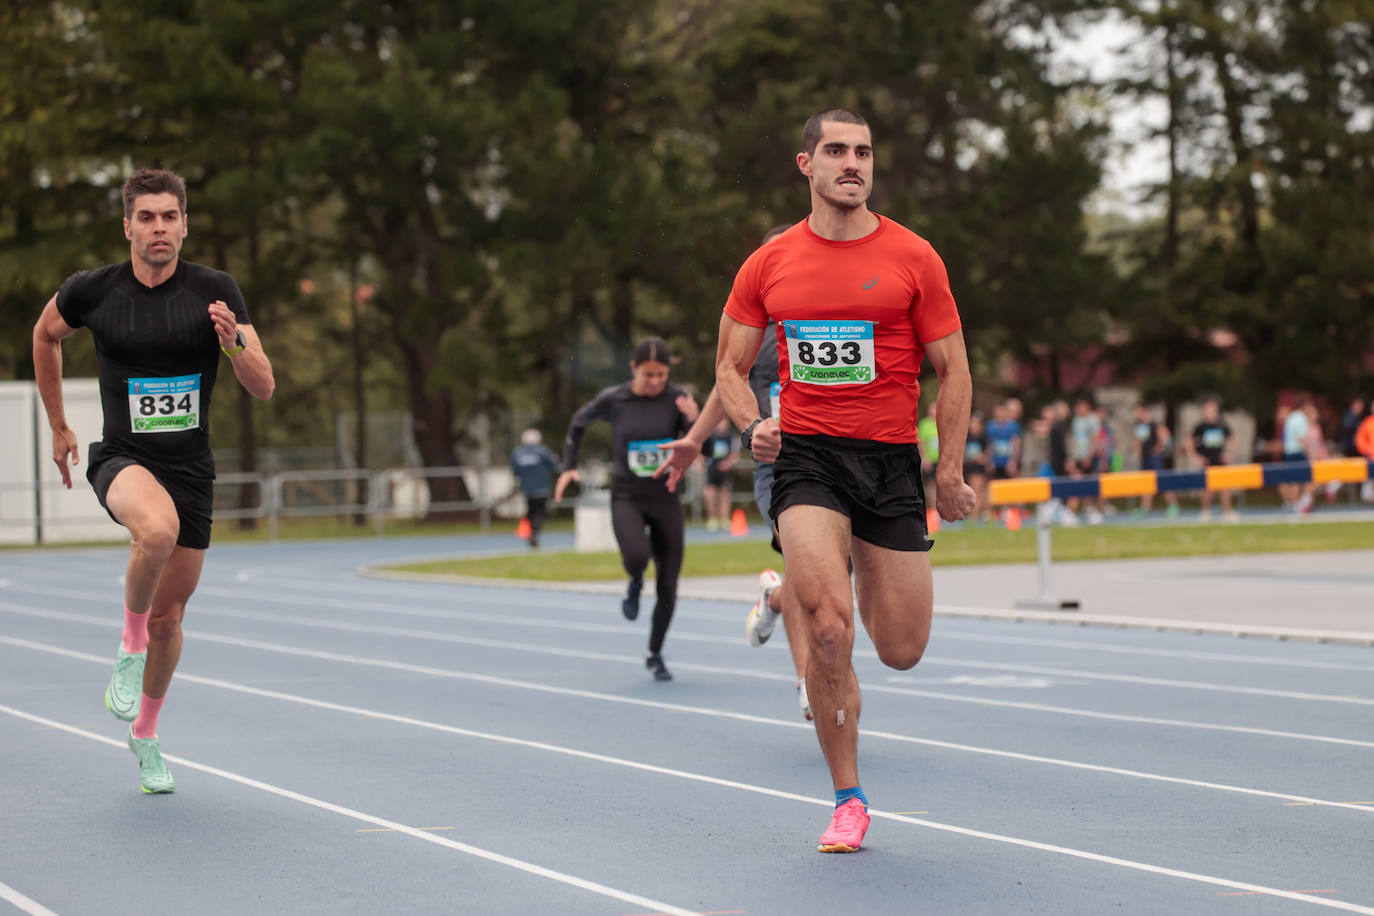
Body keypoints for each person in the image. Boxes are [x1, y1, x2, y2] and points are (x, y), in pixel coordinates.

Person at [712, 108, 976, 853]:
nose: (852, 162)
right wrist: (750, 423)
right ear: (807, 165)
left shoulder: (914, 257)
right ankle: (848, 798)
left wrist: (948, 472)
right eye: (836, 151)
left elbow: (954, 368)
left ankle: (857, 572)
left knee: (900, 647)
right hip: (806, 458)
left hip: (889, 461)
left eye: (862, 151)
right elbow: (729, 367)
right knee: (829, 629)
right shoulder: (769, 263)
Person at [31, 168, 275, 794]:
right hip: (122, 459)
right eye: (147, 218)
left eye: (169, 217)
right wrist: (59, 424)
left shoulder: (215, 291)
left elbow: (264, 384)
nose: (159, 228)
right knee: (155, 531)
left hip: (191, 468)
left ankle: (146, 731)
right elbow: (44, 335)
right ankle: (127, 646)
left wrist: (234, 342)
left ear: (185, 224)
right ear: (128, 226)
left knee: (171, 617)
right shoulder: (93, 291)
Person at [654, 224, 813, 721]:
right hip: (779, 469)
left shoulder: (829, 317)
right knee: (813, 574)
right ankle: (810, 681)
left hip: (843, 465)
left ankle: (773, 596)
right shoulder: (755, 330)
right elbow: (726, 387)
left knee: (828, 578)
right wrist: (695, 440)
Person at [554, 337, 699, 681]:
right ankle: (634, 579)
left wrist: (693, 421)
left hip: (665, 496)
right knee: (637, 555)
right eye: (648, 375)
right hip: (627, 496)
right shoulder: (614, 398)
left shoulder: (677, 400)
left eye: (661, 375)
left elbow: (696, 446)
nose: (654, 382)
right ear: (633, 369)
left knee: (668, 583)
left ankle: (655, 653)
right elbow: (578, 422)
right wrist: (569, 466)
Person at [1188, 397, 1239, 522]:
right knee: (1207, 489)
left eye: (1212, 409)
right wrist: (1196, 457)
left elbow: (1232, 439)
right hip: (1207, 461)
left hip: (1220, 460)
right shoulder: (1200, 426)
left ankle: (1227, 511)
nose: (1209, 412)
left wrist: (1230, 454)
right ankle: (1206, 512)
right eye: (1207, 409)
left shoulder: (1222, 425)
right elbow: (1189, 442)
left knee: (1225, 487)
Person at [510, 428, 559, 547]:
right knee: (540, 512)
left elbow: (515, 471)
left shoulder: (517, 453)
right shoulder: (543, 451)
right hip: (542, 487)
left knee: (531, 511)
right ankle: (534, 532)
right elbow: (554, 465)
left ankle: (529, 531)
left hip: (527, 488)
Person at [1131, 403, 1178, 516]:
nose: (1136, 415)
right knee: (1146, 483)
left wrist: (1158, 449)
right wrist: (1137, 452)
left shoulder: (1155, 425)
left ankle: (1173, 505)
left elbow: (1166, 438)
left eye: (1138, 412)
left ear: (1144, 412)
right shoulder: (1140, 427)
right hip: (1145, 458)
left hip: (1155, 459)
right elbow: (1137, 442)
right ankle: (1145, 507)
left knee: (1161, 481)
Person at [700, 418, 741, 530]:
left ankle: (724, 520)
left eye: (724, 422)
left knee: (725, 494)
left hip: (725, 470)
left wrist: (728, 463)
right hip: (711, 469)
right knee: (709, 494)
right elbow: (701, 452)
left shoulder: (732, 437)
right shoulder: (710, 436)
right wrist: (701, 464)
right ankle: (713, 519)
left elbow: (735, 455)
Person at [964, 412, 991, 521]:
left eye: (975, 423)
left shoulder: (983, 437)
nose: (972, 426)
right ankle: (985, 513)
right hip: (970, 468)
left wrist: (984, 457)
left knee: (979, 490)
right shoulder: (968, 437)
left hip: (979, 468)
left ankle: (975, 515)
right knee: (977, 489)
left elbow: (989, 451)